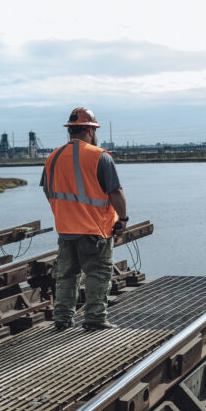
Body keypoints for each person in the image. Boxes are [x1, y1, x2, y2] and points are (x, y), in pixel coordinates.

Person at [40, 107, 128, 331]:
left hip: (66, 228)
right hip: (95, 229)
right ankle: (95, 319)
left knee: (66, 274)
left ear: (70, 130)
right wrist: (123, 219)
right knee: (98, 273)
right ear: (90, 130)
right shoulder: (100, 156)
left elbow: (48, 191)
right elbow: (115, 192)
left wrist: (64, 213)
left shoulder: (53, 157)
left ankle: (62, 318)